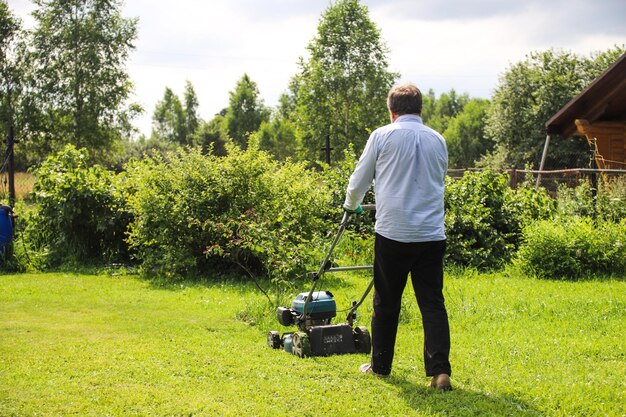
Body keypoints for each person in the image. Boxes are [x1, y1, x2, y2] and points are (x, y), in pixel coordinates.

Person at [343, 82, 452, 390]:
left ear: (391, 111)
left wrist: (351, 205)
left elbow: (359, 179)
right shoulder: (438, 140)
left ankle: (380, 366)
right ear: (420, 110)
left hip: (393, 232)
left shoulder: (381, 136)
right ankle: (440, 371)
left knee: (387, 301)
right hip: (431, 233)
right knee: (432, 302)